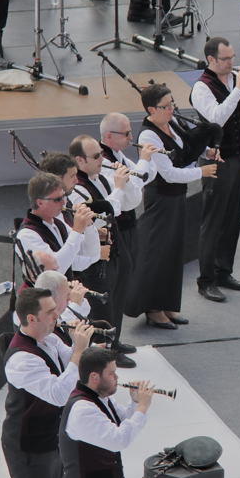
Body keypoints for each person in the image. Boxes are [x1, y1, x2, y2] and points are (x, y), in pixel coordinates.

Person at [3, 287, 93, 478]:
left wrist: (81, 346)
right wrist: (78, 350)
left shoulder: (49, 339)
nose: (58, 315)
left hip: (48, 440)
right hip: (28, 447)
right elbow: (58, 394)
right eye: (51, 312)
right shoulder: (22, 359)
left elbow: (75, 367)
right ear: (31, 319)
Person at [127, 84, 218, 327]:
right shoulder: (149, 136)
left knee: (173, 252)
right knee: (158, 253)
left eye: (172, 104)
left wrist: (207, 152)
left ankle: (168, 304)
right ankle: (153, 308)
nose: (171, 109)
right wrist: (202, 171)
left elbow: (185, 149)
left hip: (177, 197)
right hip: (161, 199)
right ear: (150, 109)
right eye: (165, 106)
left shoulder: (170, 124)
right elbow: (168, 174)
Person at [190, 37, 240, 302]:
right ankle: (206, 280)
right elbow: (216, 119)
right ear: (211, 60)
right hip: (216, 161)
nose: (231, 63)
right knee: (213, 221)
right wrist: (237, 89)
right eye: (226, 59)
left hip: (238, 156)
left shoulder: (233, 79)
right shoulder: (202, 88)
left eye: (233, 57)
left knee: (233, 216)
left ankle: (224, 270)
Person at [59, 347, 152, 478]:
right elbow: (119, 440)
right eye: (111, 373)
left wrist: (134, 403)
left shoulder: (102, 399)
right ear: (94, 377)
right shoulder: (83, 410)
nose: (116, 378)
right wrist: (143, 408)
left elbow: (123, 420)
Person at [68, 135, 136, 368]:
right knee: (102, 305)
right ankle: (103, 352)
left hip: (114, 249)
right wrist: (118, 187)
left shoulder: (101, 178)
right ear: (80, 160)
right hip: (95, 260)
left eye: (101, 153)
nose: (102, 159)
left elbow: (129, 203)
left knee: (117, 295)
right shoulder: (77, 189)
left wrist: (126, 182)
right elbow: (103, 217)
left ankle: (114, 341)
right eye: (96, 156)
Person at [99, 113, 157, 335]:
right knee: (116, 284)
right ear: (108, 136)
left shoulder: (119, 155)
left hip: (129, 225)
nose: (132, 137)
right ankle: (110, 342)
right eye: (126, 133)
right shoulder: (105, 161)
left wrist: (147, 159)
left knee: (125, 281)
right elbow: (131, 196)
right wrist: (143, 161)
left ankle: (117, 339)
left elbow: (145, 177)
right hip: (117, 230)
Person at [16, 172, 99, 284]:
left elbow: (90, 254)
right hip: (44, 298)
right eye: (57, 199)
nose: (64, 202)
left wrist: (88, 226)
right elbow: (55, 270)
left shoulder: (58, 224)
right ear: (40, 203)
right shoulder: (27, 235)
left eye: (64, 196)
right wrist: (77, 230)